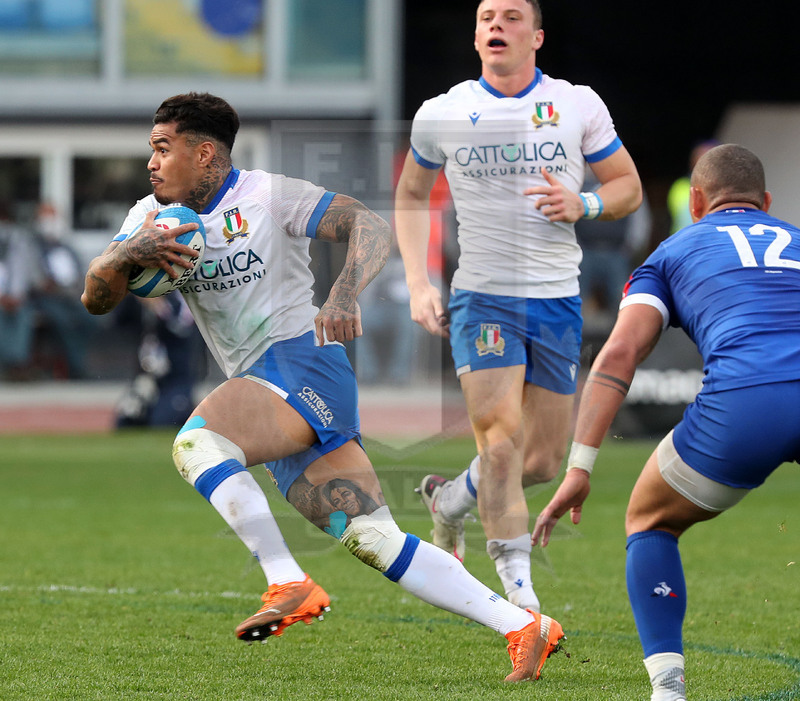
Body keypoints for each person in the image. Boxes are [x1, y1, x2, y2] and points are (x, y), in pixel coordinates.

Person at [81, 92, 565, 682]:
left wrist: (343, 293)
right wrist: (124, 254)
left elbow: (369, 224)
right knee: (375, 538)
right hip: (263, 386)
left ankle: (287, 581)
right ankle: (523, 626)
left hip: (301, 362)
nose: (151, 162)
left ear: (204, 153)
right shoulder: (149, 217)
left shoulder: (268, 195)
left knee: (196, 443)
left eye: (163, 149)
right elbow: (96, 298)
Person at [394, 0, 642, 611]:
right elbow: (411, 194)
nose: (495, 27)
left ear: (537, 36)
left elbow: (628, 187)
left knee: (542, 461)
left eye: (510, 17)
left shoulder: (576, 104)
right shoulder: (444, 111)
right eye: (486, 18)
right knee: (500, 442)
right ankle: (523, 604)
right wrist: (420, 283)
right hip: (483, 299)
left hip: (556, 300)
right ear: (476, 35)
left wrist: (584, 204)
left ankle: (450, 499)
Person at [532, 144, 800, 701]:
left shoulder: (671, 252)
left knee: (649, 519)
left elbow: (619, 354)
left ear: (695, 202)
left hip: (747, 403)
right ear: (767, 202)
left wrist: (580, 466)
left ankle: (668, 689)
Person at [666, 139, 719, 236]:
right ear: (693, 161)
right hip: (685, 240)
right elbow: (684, 218)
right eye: (701, 158)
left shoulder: (726, 188)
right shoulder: (680, 186)